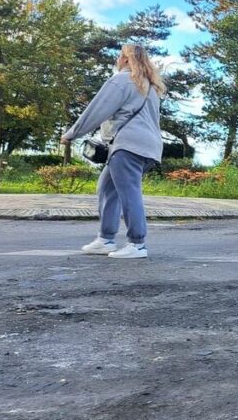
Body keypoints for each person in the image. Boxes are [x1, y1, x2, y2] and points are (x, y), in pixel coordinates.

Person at [61, 44, 165, 259]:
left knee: (129, 192)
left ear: (127, 59)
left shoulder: (121, 80)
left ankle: (137, 244)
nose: (117, 60)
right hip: (148, 147)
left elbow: (97, 109)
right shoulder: (150, 86)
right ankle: (105, 239)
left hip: (127, 146)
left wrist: (71, 134)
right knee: (107, 188)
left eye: (120, 56)